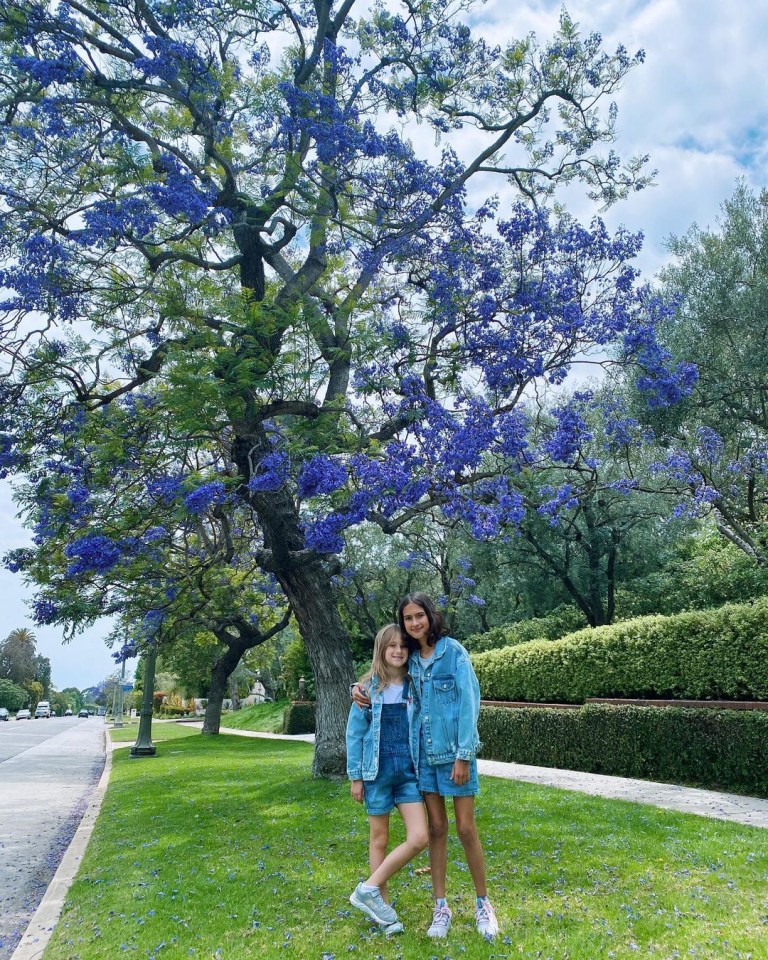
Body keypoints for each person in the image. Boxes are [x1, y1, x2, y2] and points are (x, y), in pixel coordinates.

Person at [352, 593, 499, 940]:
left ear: (431, 617)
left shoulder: (454, 653)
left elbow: (469, 702)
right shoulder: (413, 660)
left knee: (465, 828)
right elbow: (381, 678)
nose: (415, 623)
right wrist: (357, 690)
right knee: (435, 829)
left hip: (455, 756)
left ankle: (483, 903)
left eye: (420, 616)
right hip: (424, 762)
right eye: (408, 618)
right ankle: (441, 906)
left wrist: (464, 755)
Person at [346, 623, 429, 935]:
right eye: (391, 646)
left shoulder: (414, 685)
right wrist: (356, 777)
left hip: (408, 774)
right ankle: (384, 911)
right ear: (381, 650)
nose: (397, 651)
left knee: (419, 837)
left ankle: (366, 888)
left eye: (403, 646)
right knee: (378, 840)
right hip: (376, 774)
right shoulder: (367, 691)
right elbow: (354, 735)